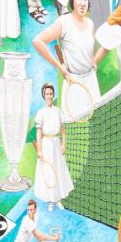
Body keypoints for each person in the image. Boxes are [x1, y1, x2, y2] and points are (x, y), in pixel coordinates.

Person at [33, 0, 103, 104]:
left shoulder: (90, 24)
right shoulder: (63, 22)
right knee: (74, 122)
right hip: (73, 83)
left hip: (92, 81)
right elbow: (38, 41)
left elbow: (86, 49)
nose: (82, 3)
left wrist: (92, 63)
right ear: (72, 0)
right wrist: (59, 66)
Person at [32, 83, 75, 211]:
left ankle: (58, 200)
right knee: (49, 172)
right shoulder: (40, 113)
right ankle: (51, 201)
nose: (49, 96)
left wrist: (63, 144)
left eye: (51, 94)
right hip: (46, 145)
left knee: (58, 170)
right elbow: (39, 133)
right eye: (47, 94)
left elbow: (62, 130)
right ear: (43, 96)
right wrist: (39, 150)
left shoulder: (58, 111)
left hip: (56, 144)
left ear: (53, 95)